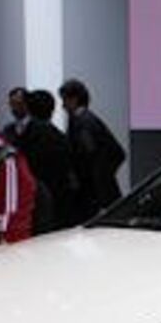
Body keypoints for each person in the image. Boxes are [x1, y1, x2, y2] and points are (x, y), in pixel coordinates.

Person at [58, 78, 125, 220]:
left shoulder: (83, 123)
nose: (62, 106)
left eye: (64, 100)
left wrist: (97, 185)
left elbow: (90, 157)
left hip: (93, 197)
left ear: (74, 99)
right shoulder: (86, 120)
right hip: (98, 194)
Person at [0, 83, 36, 247]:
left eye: (18, 104)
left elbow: (12, 240)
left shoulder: (3, 157)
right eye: (12, 104)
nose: (14, 108)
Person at [19, 90, 80, 232]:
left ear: (28, 109)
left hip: (37, 205)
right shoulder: (60, 137)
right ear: (52, 110)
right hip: (60, 204)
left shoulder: (26, 137)